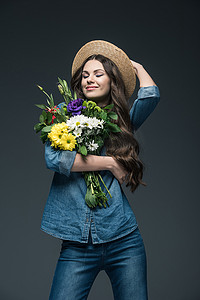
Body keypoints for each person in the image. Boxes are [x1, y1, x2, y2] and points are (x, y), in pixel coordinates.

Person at [41, 40, 160, 300]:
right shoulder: (63, 113)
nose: (89, 80)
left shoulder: (120, 120)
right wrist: (110, 163)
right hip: (77, 245)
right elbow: (56, 159)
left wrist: (131, 66)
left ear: (112, 80)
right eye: (85, 75)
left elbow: (150, 94)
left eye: (98, 74)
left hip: (124, 239)